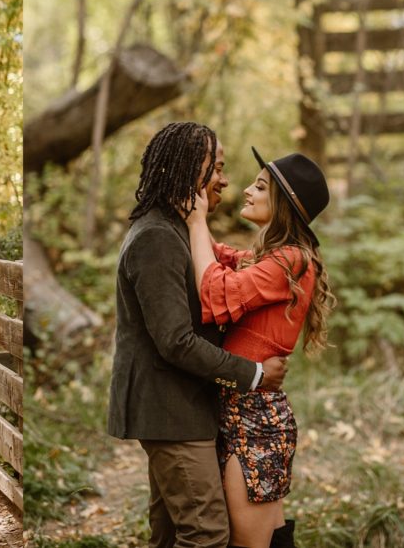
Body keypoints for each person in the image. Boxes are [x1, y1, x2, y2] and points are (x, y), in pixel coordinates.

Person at [107, 122, 290, 548]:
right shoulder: (156, 238)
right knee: (206, 533)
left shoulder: (178, 231)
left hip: (184, 407)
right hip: (170, 411)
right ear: (188, 171)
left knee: (170, 533)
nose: (226, 180)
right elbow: (175, 341)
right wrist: (255, 374)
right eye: (218, 168)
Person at [186, 147, 335, 548]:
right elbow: (221, 257)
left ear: (283, 204)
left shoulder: (291, 260)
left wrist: (198, 219)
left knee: (248, 543)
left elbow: (217, 290)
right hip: (246, 412)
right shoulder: (270, 257)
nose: (247, 190)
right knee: (268, 537)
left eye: (260, 186)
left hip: (256, 421)